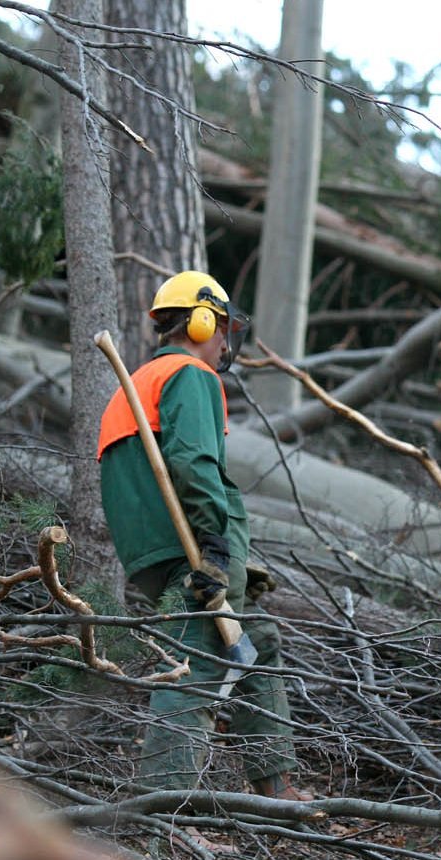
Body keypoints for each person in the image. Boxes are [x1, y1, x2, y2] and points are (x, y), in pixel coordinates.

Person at [96, 270, 307, 801]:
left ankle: (275, 790)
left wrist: (238, 558)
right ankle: (159, 819)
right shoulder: (190, 376)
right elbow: (192, 464)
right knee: (194, 668)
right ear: (202, 321)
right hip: (190, 549)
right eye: (221, 329)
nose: (223, 344)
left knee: (259, 642)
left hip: (154, 549)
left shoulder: (138, 384)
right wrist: (215, 547)